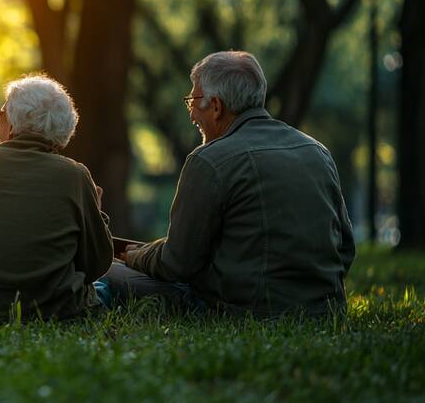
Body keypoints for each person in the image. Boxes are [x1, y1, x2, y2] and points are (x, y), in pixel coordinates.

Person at [108, 50, 356, 316]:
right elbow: (345, 248)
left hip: (242, 309)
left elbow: (176, 264)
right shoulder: (318, 152)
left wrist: (133, 256)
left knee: (106, 270)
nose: (191, 114)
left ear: (216, 107)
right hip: (325, 309)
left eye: (193, 100)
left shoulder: (209, 160)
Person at [0, 75, 113, 323]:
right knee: (106, 289)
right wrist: (98, 212)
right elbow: (96, 265)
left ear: (12, 124)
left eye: (1, 114)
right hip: (55, 313)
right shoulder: (75, 175)